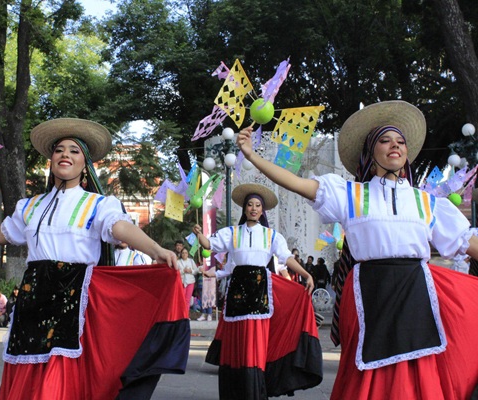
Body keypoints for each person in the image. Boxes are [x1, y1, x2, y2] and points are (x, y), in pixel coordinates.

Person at [237, 100, 478, 399]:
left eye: (401, 141)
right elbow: (296, 183)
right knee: (369, 372)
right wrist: (252, 156)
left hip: (416, 292)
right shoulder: (350, 194)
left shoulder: (426, 203)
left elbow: (466, 243)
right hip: (368, 293)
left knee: (418, 371)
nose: (395, 145)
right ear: (370, 151)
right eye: (385, 140)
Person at [0, 117, 188, 400]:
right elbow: (3, 233)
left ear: (85, 164)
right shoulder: (30, 205)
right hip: (32, 302)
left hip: (74, 305)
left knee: (62, 378)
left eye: (74, 151)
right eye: (59, 149)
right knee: (28, 371)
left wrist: (155, 250)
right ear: (51, 159)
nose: (65, 155)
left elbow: (120, 228)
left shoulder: (98, 204)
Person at [193, 183, 322, 398]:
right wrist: (199, 234)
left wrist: (307, 274)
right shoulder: (232, 233)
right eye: (250, 205)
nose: (253, 208)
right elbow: (209, 244)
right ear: (244, 209)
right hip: (237, 293)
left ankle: (255, 390)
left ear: (263, 210)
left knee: (256, 341)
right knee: (237, 341)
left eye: (258, 205)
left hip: (260, 292)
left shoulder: (271, 235)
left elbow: (286, 258)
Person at [177, 247, 199, 314]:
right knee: (181, 299)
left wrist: (190, 271)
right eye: (183, 253)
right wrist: (183, 271)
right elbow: (176, 272)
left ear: (187, 254)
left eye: (186, 253)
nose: (184, 254)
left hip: (190, 281)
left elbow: (196, 271)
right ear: (181, 254)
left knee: (187, 299)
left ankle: (186, 314)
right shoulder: (178, 262)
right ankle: (180, 314)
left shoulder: (191, 261)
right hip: (182, 282)